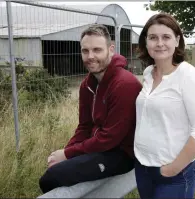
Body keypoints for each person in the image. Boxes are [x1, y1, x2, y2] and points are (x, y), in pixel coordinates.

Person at [39, 24, 142, 193]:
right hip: (99, 149)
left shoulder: (124, 84)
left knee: (51, 178)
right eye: (85, 51)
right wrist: (66, 151)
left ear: (111, 49)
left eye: (97, 50)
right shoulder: (87, 84)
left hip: (122, 154)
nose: (90, 56)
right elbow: (85, 126)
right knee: (55, 170)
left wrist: (68, 154)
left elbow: (110, 138)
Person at [134, 13, 195, 199]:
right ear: (146, 42)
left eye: (166, 37)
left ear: (177, 40)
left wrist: (172, 169)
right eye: (153, 37)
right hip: (143, 168)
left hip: (174, 174)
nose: (159, 43)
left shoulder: (189, 77)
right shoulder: (147, 73)